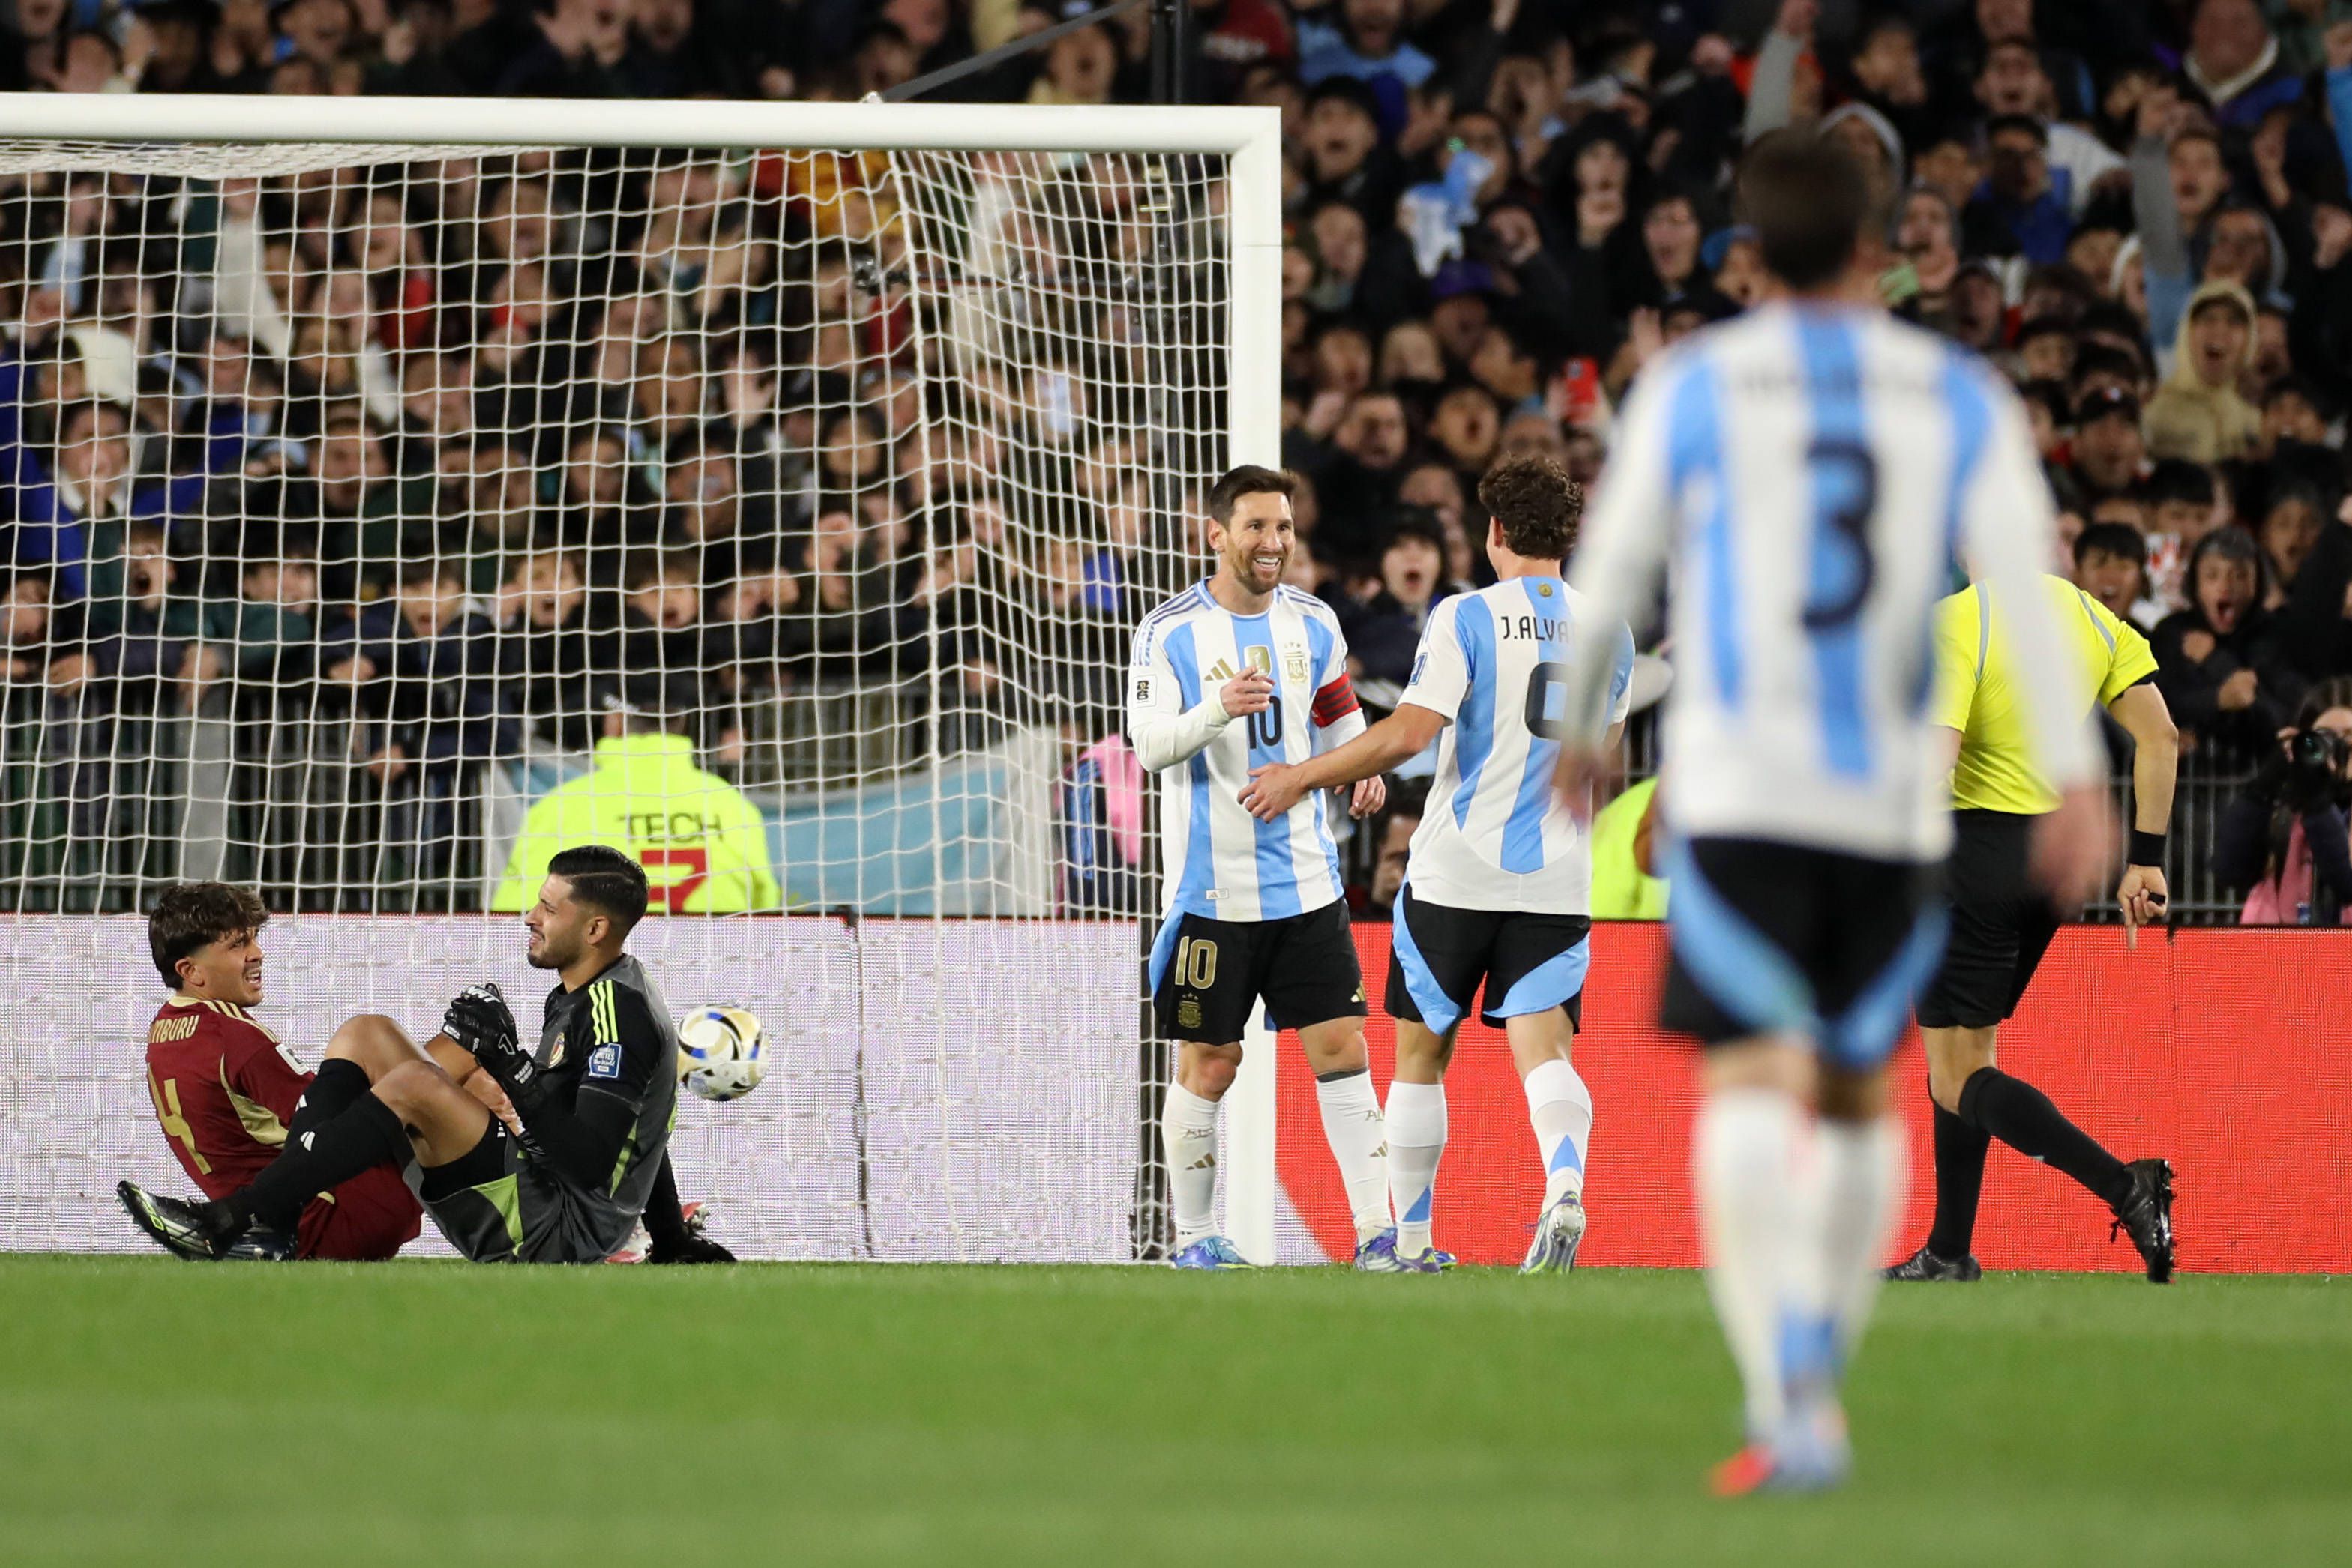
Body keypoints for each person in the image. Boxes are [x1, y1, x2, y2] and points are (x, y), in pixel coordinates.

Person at [1550, 133, 2112, 1495]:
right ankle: (1822, 1373)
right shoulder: (1951, 391)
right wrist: (2081, 777)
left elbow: (1615, 564)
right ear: (1879, 247)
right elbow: (2024, 578)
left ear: (1745, 253)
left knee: (1741, 1079)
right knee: (1863, 1094)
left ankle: (1780, 1394)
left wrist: (1583, 725)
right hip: (1886, 804)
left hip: (1741, 788)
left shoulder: (1691, 384)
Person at [1239, 454, 1634, 1273]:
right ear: (1567, 537)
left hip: (1456, 871)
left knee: (1420, 1056)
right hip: (1557, 877)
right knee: (1545, 1051)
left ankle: (1413, 1242)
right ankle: (1563, 1184)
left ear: (1493, 533)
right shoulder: (1612, 631)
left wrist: (1300, 774)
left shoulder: (1465, 617)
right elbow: (1603, 765)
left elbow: (1411, 733)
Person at [118, 847, 732, 1266]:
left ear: (595, 930)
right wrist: (672, 1239)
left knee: (412, 1081)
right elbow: (640, 1126)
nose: (530, 917)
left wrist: (508, 1067)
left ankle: (231, 1220)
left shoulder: (616, 1013)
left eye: (549, 908)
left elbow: (595, 1161)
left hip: (555, 1232)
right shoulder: (589, 992)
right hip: (544, 1196)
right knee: (367, 1034)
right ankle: (275, 1224)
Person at [1125, 464, 1399, 1270]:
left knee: (1341, 1049)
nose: (1272, 541)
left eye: (1281, 526)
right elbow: (1147, 745)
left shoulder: (1312, 621)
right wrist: (1218, 707)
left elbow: (1333, 706)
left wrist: (1358, 762)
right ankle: (1195, 1237)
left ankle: (1375, 1236)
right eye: (1255, 527)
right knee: (1211, 1061)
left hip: (1307, 887)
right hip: (1215, 895)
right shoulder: (1169, 631)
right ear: (1216, 534)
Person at [1886, 573, 2182, 1285]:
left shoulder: (1958, 620)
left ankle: (2124, 1186)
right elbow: (2160, 735)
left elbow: (1937, 759)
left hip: (1972, 857)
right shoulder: (2087, 613)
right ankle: (1949, 1251)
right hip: (2054, 864)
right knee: (1963, 1060)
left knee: (1956, 1076)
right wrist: (2144, 861)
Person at [138, 881, 425, 1260]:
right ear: (191, 970)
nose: (257, 954)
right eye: (238, 945)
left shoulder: (163, 1031)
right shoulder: (234, 1036)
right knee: (420, 1079)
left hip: (270, 1220)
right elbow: (332, 1122)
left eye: (254, 939)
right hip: (332, 1216)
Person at [490, 687, 780, 914]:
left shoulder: (563, 806)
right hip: (709, 973)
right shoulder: (731, 806)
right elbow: (766, 907)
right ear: (682, 723)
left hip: (605, 979)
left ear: (615, 722)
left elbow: (519, 908)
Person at [2215, 678, 2352, 925]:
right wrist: (2263, 787)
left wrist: (2317, 802)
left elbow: (2347, 884)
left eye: (2349, 737)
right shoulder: (2286, 810)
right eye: (2326, 737)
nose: (2338, 747)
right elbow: (2229, 871)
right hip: (2283, 954)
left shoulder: (2313, 805)